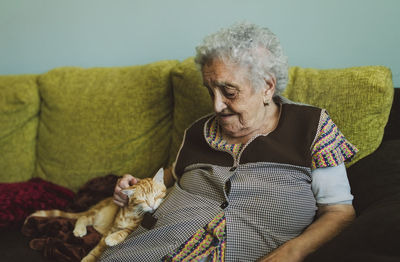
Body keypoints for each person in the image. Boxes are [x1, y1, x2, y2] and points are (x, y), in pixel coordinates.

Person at [102, 22, 357, 262]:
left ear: (267, 86)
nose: (216, 105)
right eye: (209, 90)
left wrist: (292, 252)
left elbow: (339, 212)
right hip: (149, 249)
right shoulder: (197, 132)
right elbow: (171, 176)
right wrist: (134, 186)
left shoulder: (311, 126)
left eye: (229, 92)